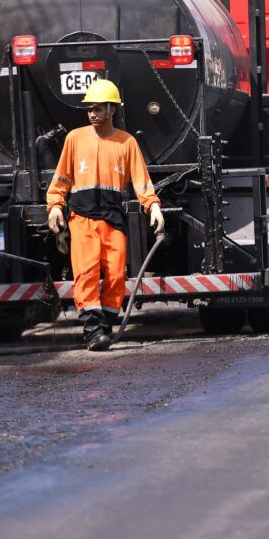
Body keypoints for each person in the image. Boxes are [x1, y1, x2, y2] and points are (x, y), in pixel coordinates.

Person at [46, 79, 164, 351]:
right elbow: (62, 178)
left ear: (112, 109)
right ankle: (92, 331)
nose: (92, 114)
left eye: (98, 108)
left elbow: (141, 181)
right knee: (86, 272)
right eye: (89, 109)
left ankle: (105, 326)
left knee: (115, 275)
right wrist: (54, 206)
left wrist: (153, 206)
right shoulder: (75, 139)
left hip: (113, 218)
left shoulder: (127, 143)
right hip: (82, 217)